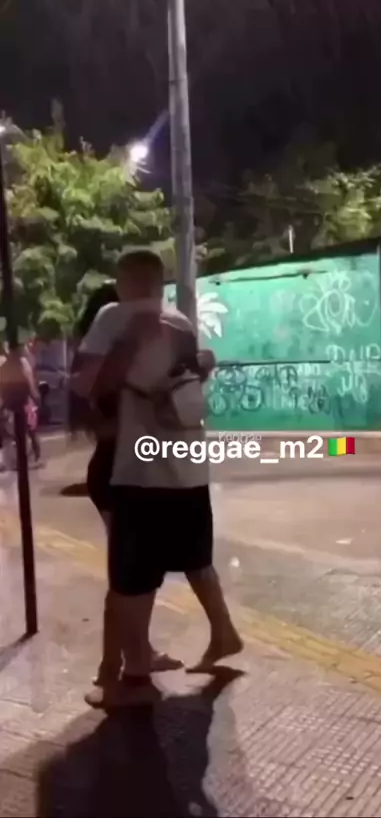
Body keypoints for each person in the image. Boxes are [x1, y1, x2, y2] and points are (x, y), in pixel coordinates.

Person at [72, 250, 242, 707]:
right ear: (160, 281)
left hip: (139, 472)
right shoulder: (181, 322)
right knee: (191, 559)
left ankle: (133, 676)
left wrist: (127, 346)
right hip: (187, 468)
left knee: (130, 580)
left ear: (123, 282)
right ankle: (217, 634)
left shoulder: (113, 316)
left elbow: (86, 385)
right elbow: (188, 381)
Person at [69, 280, 179, 685]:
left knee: (134, 572)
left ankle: (134, 652)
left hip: (120, 471)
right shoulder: (108, 362)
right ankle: (112, 664)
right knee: (128, 575)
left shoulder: (100, 359)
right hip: (119, 474)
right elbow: (104, 424)